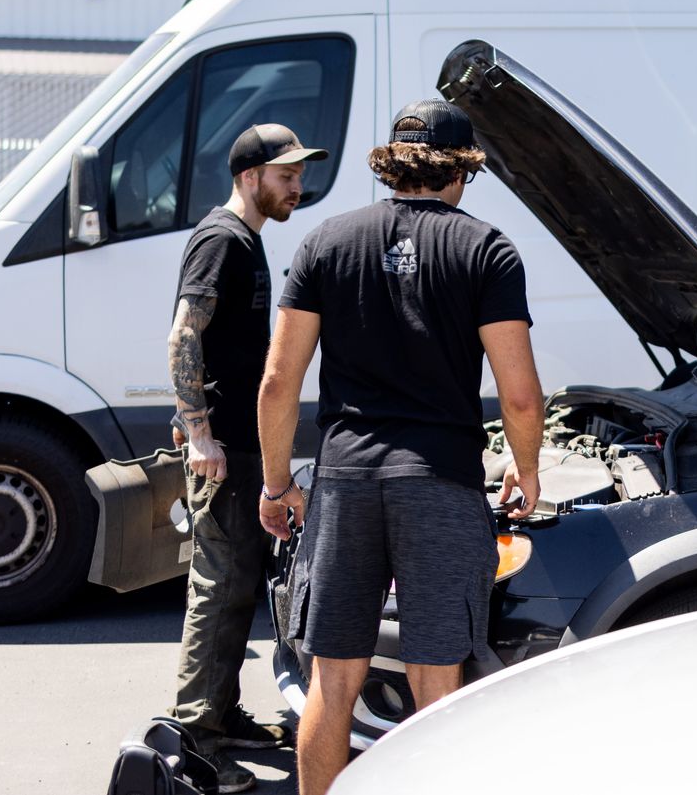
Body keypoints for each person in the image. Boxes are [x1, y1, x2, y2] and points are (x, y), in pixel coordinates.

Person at [257, 99, 547, 795]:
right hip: (439, 482)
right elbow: (520, 396)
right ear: (463, 170)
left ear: (394, 162)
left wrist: (276, 485)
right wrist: (528, 469)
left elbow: (276, 382)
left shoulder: (325, 241)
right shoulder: (486, 249)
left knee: (333, 676)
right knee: (436, 684)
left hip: (346, 477)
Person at [166, 122, 326, 793]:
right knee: (219, 590)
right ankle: (196, 744)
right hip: (222, 451)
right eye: (286, 175)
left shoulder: (247, 241)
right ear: (249, 175)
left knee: (237, 590)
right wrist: (199, 431)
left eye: (298, 174)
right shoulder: (221, 239)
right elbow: (183, 335)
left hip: (242, 447)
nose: (298, 186)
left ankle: (223, 712)